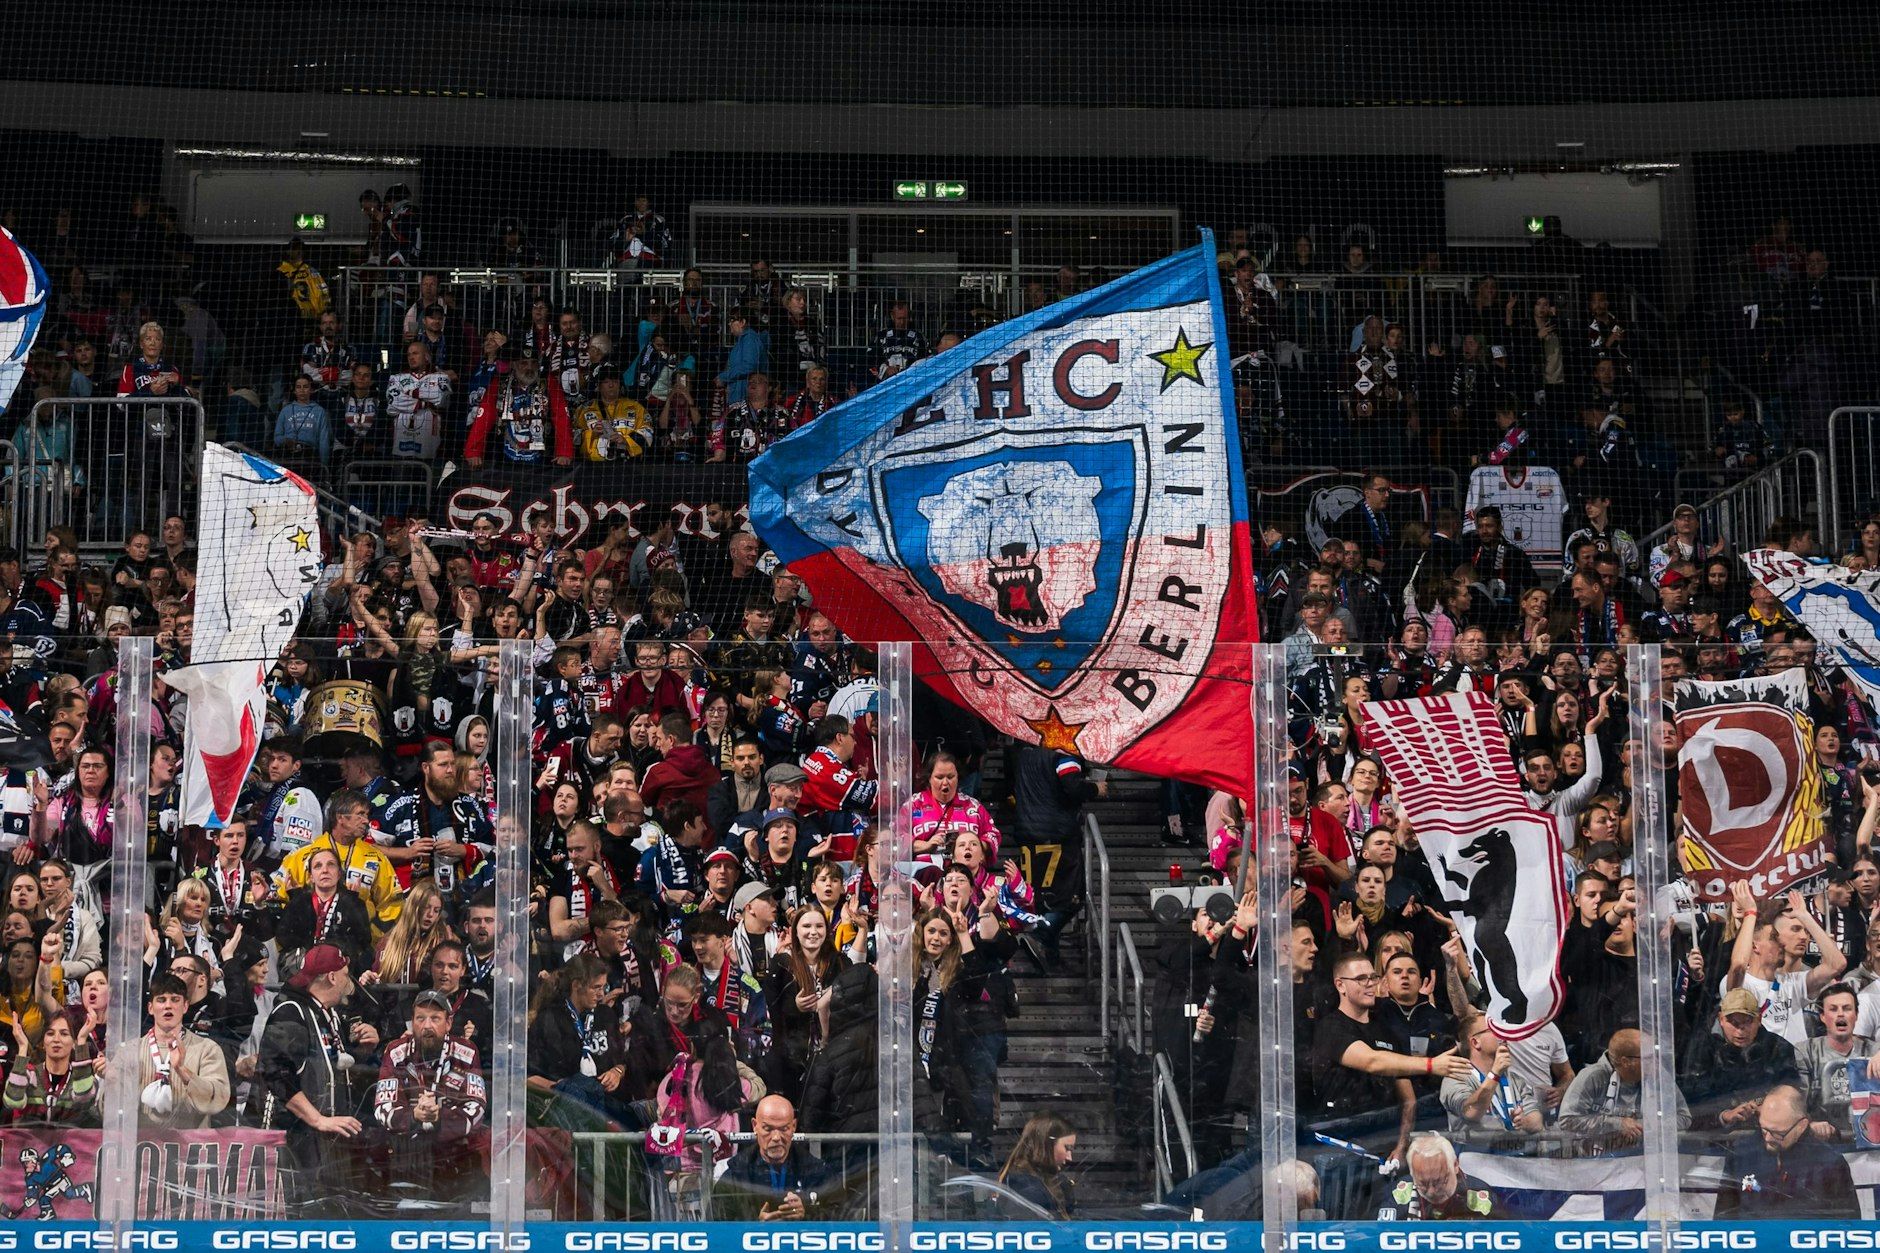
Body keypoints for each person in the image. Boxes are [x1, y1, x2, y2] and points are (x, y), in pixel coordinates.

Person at [250, 944, 375, 1210]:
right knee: (297, 1217)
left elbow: (326, 1067)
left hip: (320, 1141)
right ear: (331, 976)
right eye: (345, 972)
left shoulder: (327, 1014)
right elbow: (274, 1073)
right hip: (291, 1142)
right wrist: (317, 1119)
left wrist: (363, 1050)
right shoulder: (291, 1012)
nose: (348, 980)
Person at [373, 989, 487, 1211]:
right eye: (420, 1018)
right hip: (405, 1154)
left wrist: (439, 1119)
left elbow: (477, 1107)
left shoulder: (467, 1051)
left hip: (454, 1155)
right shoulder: (396, 1051)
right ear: (412, 1022)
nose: (427, 1026)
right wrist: (413, 1116)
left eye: (435, 1019)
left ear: (448, 1023)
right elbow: (382, 1107)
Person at [1715, 1084, 1859, 1219]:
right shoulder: (1740, 1154)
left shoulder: (1830, 1163)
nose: (1768, 1138)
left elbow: (1848, 1226)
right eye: (1764, 1129)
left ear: (1802, 1126)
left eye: (1778, 1133)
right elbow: (1722, 1221)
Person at [128, 973, 230, 1129]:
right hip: (141, 1146)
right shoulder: (130, 1051)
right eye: (161, 1000)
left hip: (191, 1149)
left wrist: (182, 1071)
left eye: (175, 1000)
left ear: (185, 1006)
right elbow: (106, 1109)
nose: (168, 1005)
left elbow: (218, 1100)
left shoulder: (207, 1049)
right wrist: (113, 1082)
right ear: (150, 1008)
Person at [717, 1094, 833, 1221]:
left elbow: (842, 1221)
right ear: (755, 1126)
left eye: (784, 1129)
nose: (776, 1137)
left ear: (793, 1127)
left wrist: (807, 1213)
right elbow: (718, 1231)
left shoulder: (819, 1173)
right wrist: (757, 1229)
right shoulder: (734, 1177)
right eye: (768, 1129)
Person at [1385, 1133, 1496, 1220]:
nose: (1432, 1191)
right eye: (1423, 1184)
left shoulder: (1482, 1196)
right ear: (1412, 1173)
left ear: (1455, 1165)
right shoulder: (1399, 1195)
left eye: (1439, 1182)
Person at [997, 1112, 1077, 1220]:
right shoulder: (1029, 1189)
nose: (1069, 1157)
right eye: (1067, 1148)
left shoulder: (1035, 1182)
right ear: (1047, 1145)